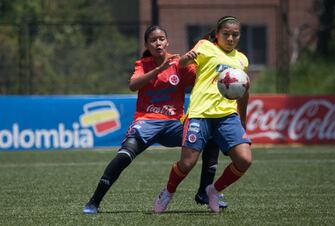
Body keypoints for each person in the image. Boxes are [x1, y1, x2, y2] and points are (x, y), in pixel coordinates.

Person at [83, 25, 227, 214]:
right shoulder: (142, 64)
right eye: (153, 40)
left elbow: (202, 80)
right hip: (146, 121)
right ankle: (94, 202)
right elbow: (133, 85)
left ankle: (203, 192)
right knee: (124, 156)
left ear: (167, 42)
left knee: (211, 137)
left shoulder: (180, 64)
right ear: (147, 45)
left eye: (161, 39)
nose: (158, 43)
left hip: (174, 124)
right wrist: (159, 69)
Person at [154, 16, 252, 214]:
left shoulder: (242, 59)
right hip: (200, 113)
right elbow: (181, 64)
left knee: (244, 160)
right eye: (226, 34)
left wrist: (242, 119)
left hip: (227, 115)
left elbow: (244, 91)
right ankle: (168, 192)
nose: (231, 38)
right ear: (217, 34)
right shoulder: (205, 46)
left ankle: (213, 191)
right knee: (187, 163)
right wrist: (186, 58)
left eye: (235, 35)